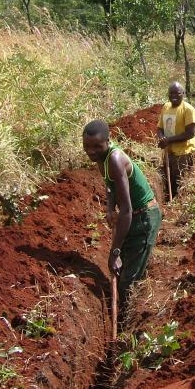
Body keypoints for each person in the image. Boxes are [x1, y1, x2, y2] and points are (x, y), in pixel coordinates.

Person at [82, 120, 162, 306]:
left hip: (144, 217)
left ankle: (127, 324)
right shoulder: (101, 159)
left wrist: (114, 252)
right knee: (125, 268)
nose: (90, 151)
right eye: (86, 146)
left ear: (108, 141)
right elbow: (111, 188)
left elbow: (126, 209)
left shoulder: (115, 160)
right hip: (133, 216)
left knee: (129, 283)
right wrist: (110, 208)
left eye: (96, 146)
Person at [157, 82, 195, 197]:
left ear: (183, 94)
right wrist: (162, 138)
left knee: (179, 182)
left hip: (183, 153)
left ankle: (176, 207)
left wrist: (168, 140)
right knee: (168, 178)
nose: (174, 96)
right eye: (171, 93)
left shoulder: (188, 110)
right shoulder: (166, 107)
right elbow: (159, 128)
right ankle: (168, 202)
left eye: (177, 93)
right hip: (168, 151)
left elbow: (190, 133)